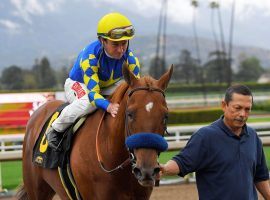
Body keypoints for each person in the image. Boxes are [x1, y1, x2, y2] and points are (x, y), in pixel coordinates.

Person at [46, 12, 140, 150]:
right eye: (115, 44)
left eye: (124, 43)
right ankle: (55, 129)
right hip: (79, 84)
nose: (121, 50)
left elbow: (136, 89)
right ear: (102, 41)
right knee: (89, 103)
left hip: (105, 86)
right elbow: (93, 94)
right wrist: (109, 106)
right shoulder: (90, 58)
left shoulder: (131, 60)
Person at [160, 85, 270, 199]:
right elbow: (182, 162)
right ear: (224, 105)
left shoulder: (253, 136)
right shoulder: (205, 137)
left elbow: (260, 176)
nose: (242, 114)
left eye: (247, 109)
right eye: (237, 108)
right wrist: (164, 169)